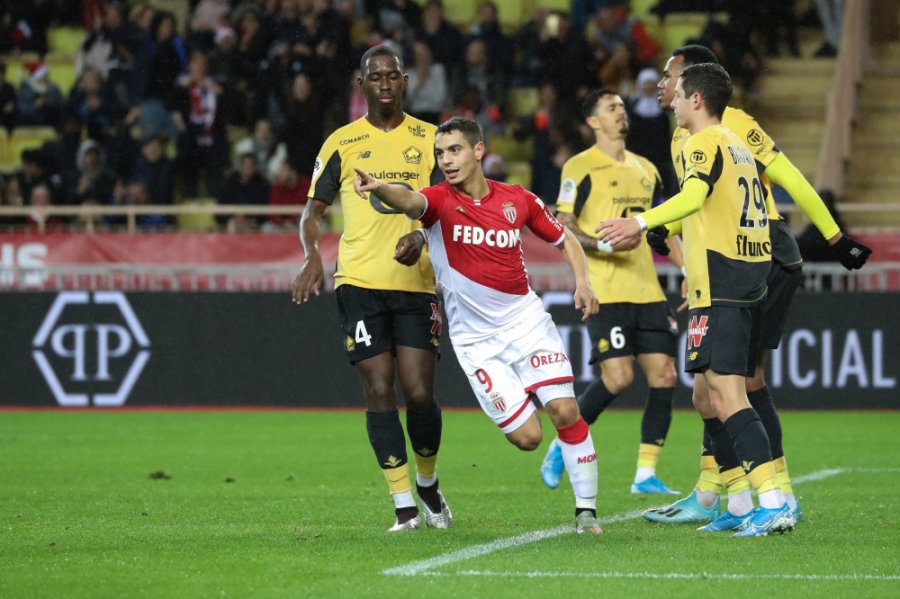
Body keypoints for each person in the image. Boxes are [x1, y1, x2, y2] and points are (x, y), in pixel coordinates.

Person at [642, 45, 872, 529]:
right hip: (728, 255)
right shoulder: (686, 135)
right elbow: (699, 205)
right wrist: (673, 235)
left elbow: (790, 179)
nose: (661, 84)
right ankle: (726, 496)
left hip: (758, 254)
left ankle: (770, 498)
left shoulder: (730, 126)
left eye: (669, 75)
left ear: (694, 85)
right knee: (713, 388)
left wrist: (833, 236)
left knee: (735, 384)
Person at [354, 116, 604, 534]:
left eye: (454, 150)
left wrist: (583, 282)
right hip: (476, 342)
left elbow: (566, 239)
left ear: (478, 150)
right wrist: (379, 187)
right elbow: (408, 202)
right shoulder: (437, 200)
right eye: (439, 153)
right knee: (528, 438)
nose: (446, 160)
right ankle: (548, 437)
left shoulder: (517, 199)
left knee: (564, 408)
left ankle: (586, 513)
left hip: (526, 323)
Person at [597, 63, 793, 537]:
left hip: (724, 284)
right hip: (734, 280)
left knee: (728, 394)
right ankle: (741, 503)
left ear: (697, 100)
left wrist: (640, 223)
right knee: (707, 396)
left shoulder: (704, 143)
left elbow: (694, 195)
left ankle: (773, 501)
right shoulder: (736, 144)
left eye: (679, 93)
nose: (674, 100)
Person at [291, 45, 451, 532]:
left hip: (416, 282)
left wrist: (421, 233)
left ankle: (427, 483)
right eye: (373, 76)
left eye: (392, 75)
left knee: (419, 393)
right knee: (380, 390)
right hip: (358, 282)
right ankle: (404, 505)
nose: (383, 83)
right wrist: (312, 254)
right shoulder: (340, 142)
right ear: (361, 85)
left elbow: (449, 206)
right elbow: (312, 213)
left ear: (405, 82)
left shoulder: (431, 140)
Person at [539, 89, 685, 496]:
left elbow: (663, 227)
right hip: (605, 289)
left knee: (665, 375)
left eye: (622, 106)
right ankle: (559, 445)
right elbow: (562, 226)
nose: (621, 112)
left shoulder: (647, 169)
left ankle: (645, 475)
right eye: (611, 108)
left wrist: (688, 270)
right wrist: (604, 245)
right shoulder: (579, 167)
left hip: (648, 291)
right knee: (618, 377)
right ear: (593, 122)